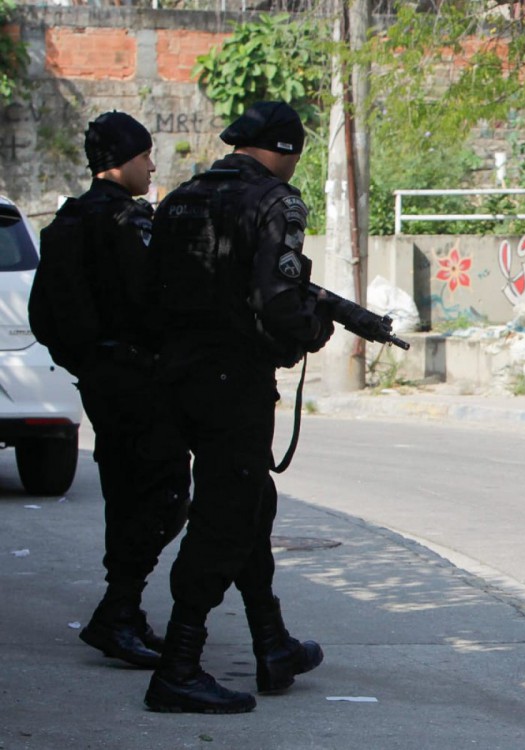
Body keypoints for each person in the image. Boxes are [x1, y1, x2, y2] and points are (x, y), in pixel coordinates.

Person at [142, 101, 334, 714]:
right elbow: (277, 300)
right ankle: (178, 667)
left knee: (251, 502)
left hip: (174, 379)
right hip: (233, 384)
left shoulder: (181, 199)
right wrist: (312, 328)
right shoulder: (277, 201)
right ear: (284, 151)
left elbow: (150, 293)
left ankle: (272, 644)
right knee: (225, 515)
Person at [28, 112, 191, 669]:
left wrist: (89, 363)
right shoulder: (128, 222)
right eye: (145, 156)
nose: (152, 166)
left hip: (101, 381)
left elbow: (43, 318)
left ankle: (125, 610)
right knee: (166, 492)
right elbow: (157, 300)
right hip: (138, 381)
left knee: (125, 492)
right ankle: (117, 610)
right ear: (121, 161)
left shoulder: (68, 221)